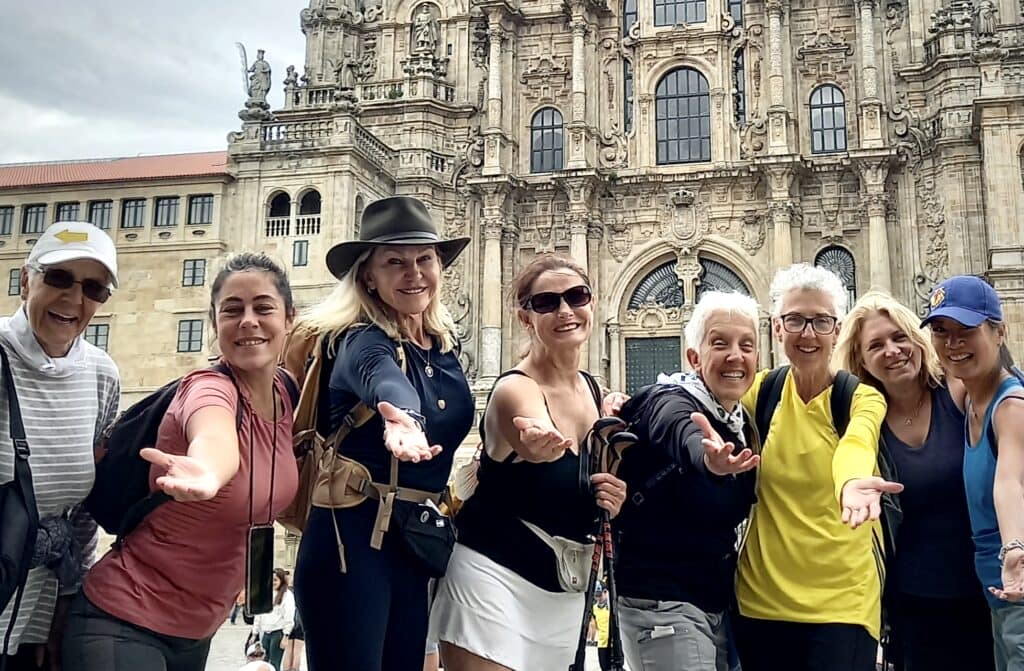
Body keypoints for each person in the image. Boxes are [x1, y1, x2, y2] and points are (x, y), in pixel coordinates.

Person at [62, 252, 299, 671]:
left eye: (263, 307)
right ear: (214, 322)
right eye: (232, 310)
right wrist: (208, 471)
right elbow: (214, 435)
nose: (248, 320)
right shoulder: (208, 388)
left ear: (289, 319)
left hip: (195, 633)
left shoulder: (286, 393)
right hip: (124, 618)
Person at [292, 196, 475, 671]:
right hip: (350, 547)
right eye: (395, 262)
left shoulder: (444, 349)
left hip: (411, 545)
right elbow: (380, 378)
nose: (414, 272)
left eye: (424, 259)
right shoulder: (357, 338)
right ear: (368, 275)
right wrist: (400, 418)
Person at [430, 254, 628, 670]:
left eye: (577, 296)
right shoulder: (513, 390)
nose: (565, 311)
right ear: (525, 316)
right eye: (546, 302)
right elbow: (528, 425)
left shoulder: (595, 393)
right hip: (491, 578)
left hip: (562, 594)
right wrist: (536, 442)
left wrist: (611, 493)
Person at [731, 264, 903, 671]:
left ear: (838, 329)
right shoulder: (760, 392)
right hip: (760, 601)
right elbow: (700, 398)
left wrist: (852, 483)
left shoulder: (862, 399)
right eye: (795, 320)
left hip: (843, 604)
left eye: (821, 321)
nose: (808, 333)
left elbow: (858, 442)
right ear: (777, 328)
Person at [834, 290, 994, 670]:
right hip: (913, 605)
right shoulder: (864, 418)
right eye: (876, 345)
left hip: (987, 592)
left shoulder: (959, 393)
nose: (892, 350)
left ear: (916, 339)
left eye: (899, 337)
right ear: (861, 360)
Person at [614, 291, 761, 671]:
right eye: (720, 343)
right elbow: (681, 432)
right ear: (693, 357)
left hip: (715, 602)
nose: (736, 356)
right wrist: (708, 461)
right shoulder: (671, 402)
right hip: (660, 604)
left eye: (747, 345)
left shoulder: (741, 421)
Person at [0, 221, 120, 671]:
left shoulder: (101, 375)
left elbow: (84, 511)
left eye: (94, 288)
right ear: (26, 278)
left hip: (35, 614)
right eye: (59, 278)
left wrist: (65, 602)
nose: (74, 299)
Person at [920, 276, 1024, 670]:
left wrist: (1014, 549)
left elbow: (1009, 483)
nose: (952, 344)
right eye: (941, 332)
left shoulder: (1010, 405)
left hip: (1018, 589)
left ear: (999, 333)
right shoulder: (969, 396)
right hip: (999, 595)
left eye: (966, 331)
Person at [251, 569, 294, 671]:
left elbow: (289, 616)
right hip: (265, 632)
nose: (273, 583)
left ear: (281, 581)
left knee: (275, 663)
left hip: (278, 633)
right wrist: (254, 633)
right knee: (263, 663)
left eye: (275, 580)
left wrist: (286, 635)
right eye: (272, 580)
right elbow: (259, 614)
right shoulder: (266, 593)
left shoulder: (287, 596)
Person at [587, 585, 611, 671]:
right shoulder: (594, 608)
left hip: (612, 644)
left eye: (600, 595)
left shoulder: (611, 608)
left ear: (606, 592)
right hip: (602, 645)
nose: (599, 598)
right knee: (604, 667)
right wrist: (592, 639)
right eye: (597, 596)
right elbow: (593, 625)